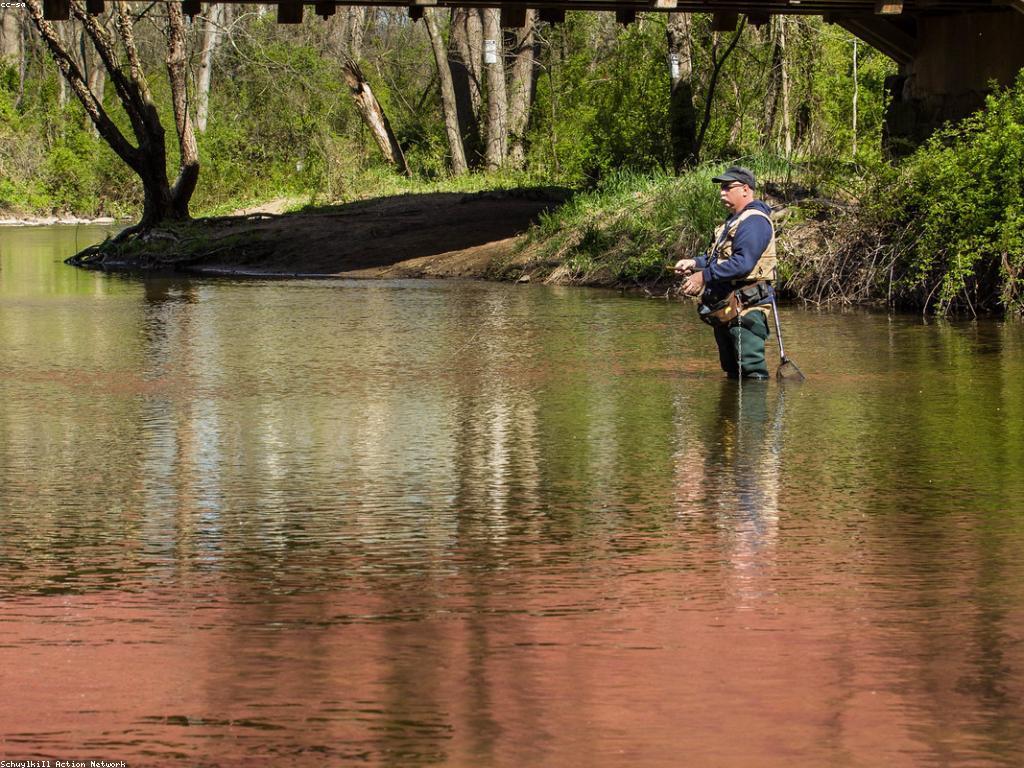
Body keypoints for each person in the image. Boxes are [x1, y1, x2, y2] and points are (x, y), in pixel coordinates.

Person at [674, 166, 776, 380]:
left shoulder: (754, 221)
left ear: (746, 189)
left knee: (751, 370)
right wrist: (693, 263)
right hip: (726, 307)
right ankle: (729, 415)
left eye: (728, 187)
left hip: (748, 307)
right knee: (732, 371)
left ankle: (753, 413)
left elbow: (742, 264)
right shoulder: (732, 222)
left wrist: (703, 276)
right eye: (721, 187)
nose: (722, 192)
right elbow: (714, 259)